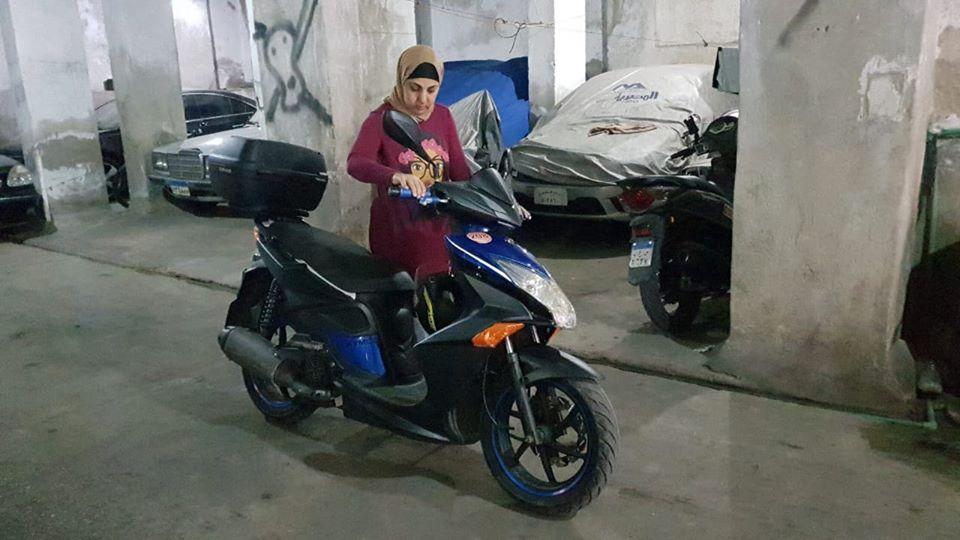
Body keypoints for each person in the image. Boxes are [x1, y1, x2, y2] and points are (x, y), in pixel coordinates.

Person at [346, 45, 469, 395]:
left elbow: (460, 170)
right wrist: (394, 176)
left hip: (439, 234)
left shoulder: (443, 117)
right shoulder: (381, 119)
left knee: (443, 311)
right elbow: (356, 163)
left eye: (431, 90)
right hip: (398, 236)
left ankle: (443, 385)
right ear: (401, 83)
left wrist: (496, 198)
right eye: (414, 89)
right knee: (402, 315)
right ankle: (405, 382)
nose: (423, 99)